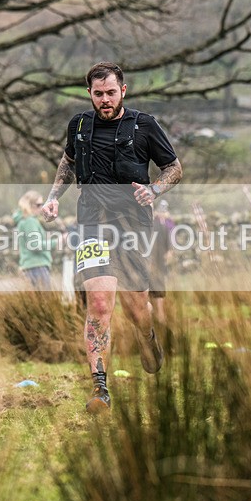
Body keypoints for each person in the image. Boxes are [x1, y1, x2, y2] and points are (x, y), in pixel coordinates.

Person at [41, 62, 183, 414]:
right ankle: (100, 388)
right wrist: (54, 197)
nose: (105, 100)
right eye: (98, 93)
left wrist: (155, 189)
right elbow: (67, 161)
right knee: (100, 304)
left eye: (111, 93)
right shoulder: (78, 125)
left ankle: (147, 338)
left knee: (138, 309)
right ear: (89, 93)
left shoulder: (144, 124)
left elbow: (174, 168)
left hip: (133, 225)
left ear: (124, 91)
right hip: (91, 224)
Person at [14, 190, 59, 290]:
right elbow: (35, 245)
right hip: (37, 267)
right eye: (38, 205)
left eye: (42, 204)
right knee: (45, 303)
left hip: (30, 268)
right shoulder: (30, 221)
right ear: (30, 205)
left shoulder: (23, 221)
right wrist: (57, 242)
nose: (41, 208)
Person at [150, 199, 175, 325]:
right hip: (149, 263)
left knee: (158, 289)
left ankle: (160, 316)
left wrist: (169, 251)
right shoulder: (153, 224)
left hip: (158, 262)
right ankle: (157, 316)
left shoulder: (164, 224)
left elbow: (169, 241)